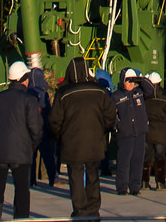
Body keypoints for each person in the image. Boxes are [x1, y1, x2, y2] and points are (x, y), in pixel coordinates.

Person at [47, 57, 117, 220]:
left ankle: (80, 211)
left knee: (76, 176)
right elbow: (110, 114)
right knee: (93, 175)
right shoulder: (99, 90)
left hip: (73, 143)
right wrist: (102, 130)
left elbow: (54, 120)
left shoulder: (64, 93)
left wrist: (61, 136)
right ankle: (93, 210)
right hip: (94, 140)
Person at [0, 61, 42, 221]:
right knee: (22, 190)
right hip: (21, 153)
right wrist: (32, 145)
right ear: (24, 79)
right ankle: (21, 218)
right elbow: (35, 128)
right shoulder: (29, 100)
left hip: (0, 151)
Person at [112, 70, 148, 197]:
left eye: (133, 81)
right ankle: (122, 187)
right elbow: (111, 114)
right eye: (128, 81)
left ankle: (135, 186)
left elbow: (151, 91)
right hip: (125, 133)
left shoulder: (138, 93)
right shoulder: (116, 96)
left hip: (139, 132)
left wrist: (141, 80)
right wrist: (118, 126)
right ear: (123, 81)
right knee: (124, 161)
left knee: (137, 160)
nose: (131, 84)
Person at [142, 72, 166, 191]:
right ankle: (160, 182)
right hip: (162, 133)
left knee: (146, 157)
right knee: (160, 157)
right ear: (160, 82)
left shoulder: (145, 97)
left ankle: (144, 182)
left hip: (147, 131)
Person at [26, 64, 60, 188]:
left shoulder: (27, 93)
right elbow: (48, 110)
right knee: (48, 155)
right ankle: (53, 178)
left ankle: (31, 180)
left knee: (31, 156)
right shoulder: (45, 93)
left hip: (30, 129)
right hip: (43, 128)